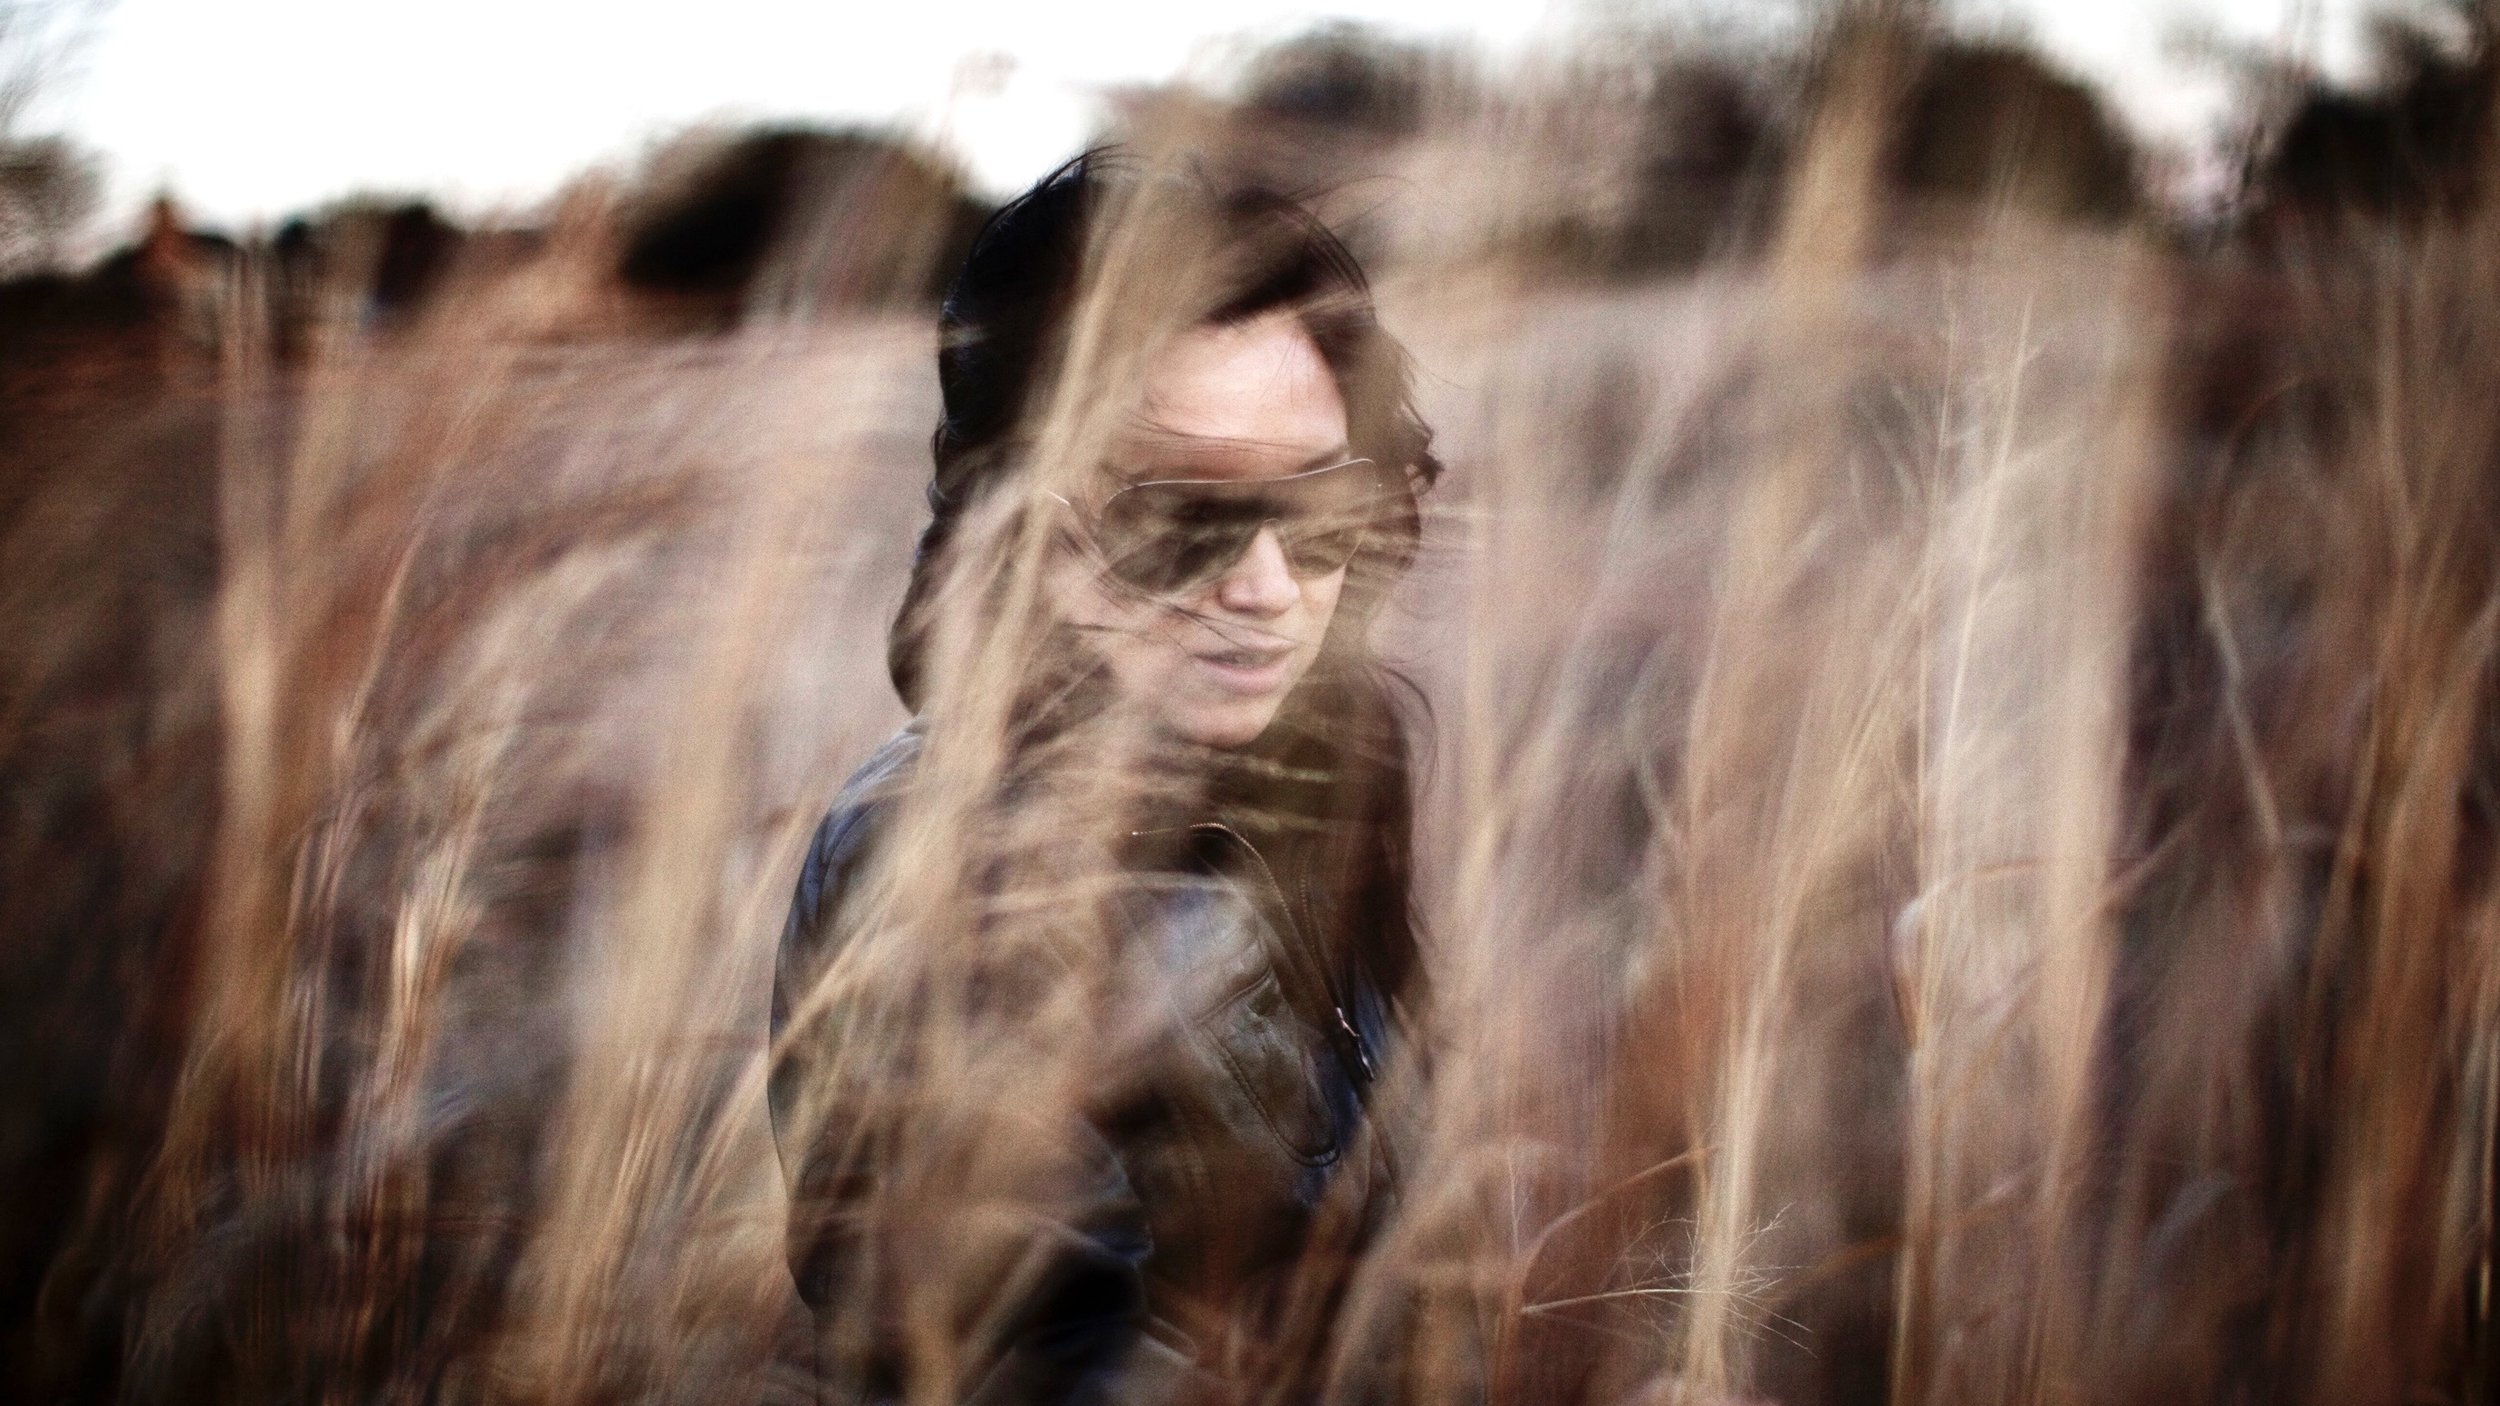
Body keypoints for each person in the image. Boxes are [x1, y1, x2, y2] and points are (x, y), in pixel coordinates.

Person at [770, 150, 1442, 1405]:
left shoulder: (1293, 783)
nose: (1264, 586)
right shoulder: (945, 865)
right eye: (1178, 515)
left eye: (1321, 510)